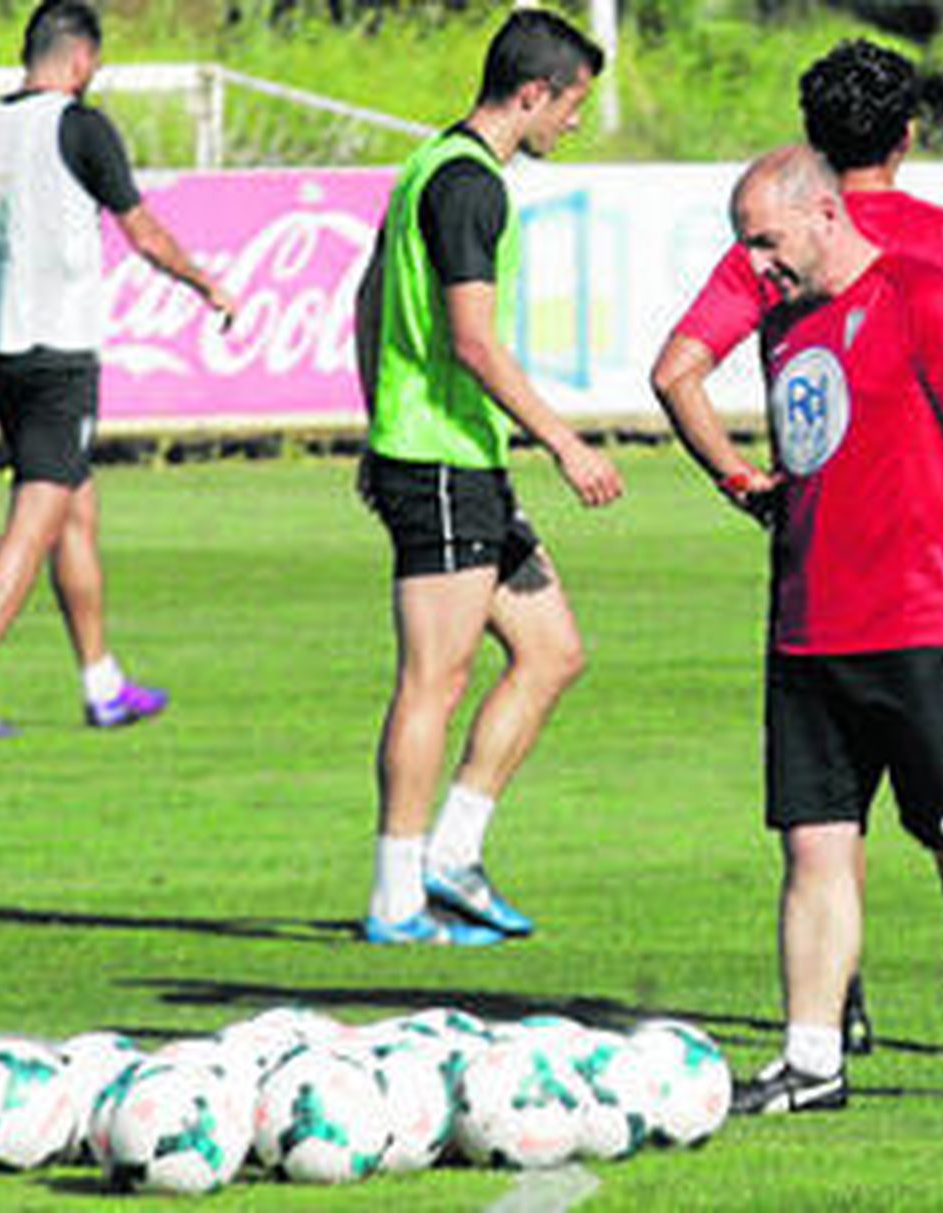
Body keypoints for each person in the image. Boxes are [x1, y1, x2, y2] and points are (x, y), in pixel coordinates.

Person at [651, 38, 943, 1054]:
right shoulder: (940, 242)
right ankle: (908, 997)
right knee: (845, 829)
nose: (762, 262)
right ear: (910, 135)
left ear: (816, 161)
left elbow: (677, 369)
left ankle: (885, 1003)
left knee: (939, 822)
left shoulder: (841, 268)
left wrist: (742, 481)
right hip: (853, 589)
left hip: (892, 584)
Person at [0, 0, 238, 737]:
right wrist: (205, 284)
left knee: (76, 510)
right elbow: (143, 232)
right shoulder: (80, 126)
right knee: (40, 512)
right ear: (82, 61)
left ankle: (102, 682)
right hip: (58, 353)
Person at [354, 9, 623, 946]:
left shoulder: (428, 163)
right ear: (532, 93)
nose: (575, 122)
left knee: (553, 651)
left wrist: (374, 415)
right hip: (437, 461)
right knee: (436, 677)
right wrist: (565, 441)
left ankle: (452, 858)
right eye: (574, 103)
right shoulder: (471, 187)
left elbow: (369, 299)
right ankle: (396, 897)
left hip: (454, 456)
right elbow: (471, 341)